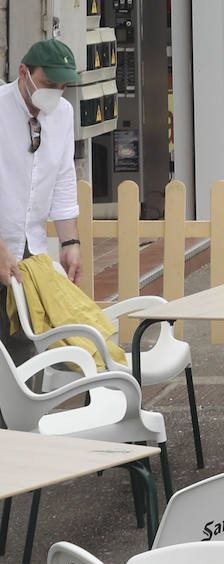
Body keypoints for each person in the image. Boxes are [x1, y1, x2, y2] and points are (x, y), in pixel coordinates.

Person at [1, 39, 81, 367]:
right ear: (24, 72)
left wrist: (70, 241)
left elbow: (63, 178)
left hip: (30, 249)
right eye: (49, 84)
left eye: (63, 86)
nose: (56, 92)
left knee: (23, 338)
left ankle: (18, 417)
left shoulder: (63, 113)